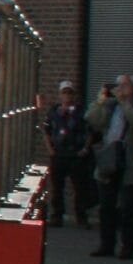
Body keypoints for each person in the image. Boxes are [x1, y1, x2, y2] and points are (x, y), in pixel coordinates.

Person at [88, 75, 133, 259]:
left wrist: (125, 103)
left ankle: (127, 246)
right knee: (106, 206)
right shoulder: (111, 106)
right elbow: (93, 119)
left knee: (127, 207)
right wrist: (100, 101)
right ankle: (106, 244)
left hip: (130, 162)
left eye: (125, 85)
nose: (120, 88)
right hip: (109, 160)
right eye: (118, 85)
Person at [42, 80, 95, 229]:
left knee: (80, 187)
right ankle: (57, 216)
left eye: (69, 92)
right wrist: (50, 149)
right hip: (59, 154)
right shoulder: (54, 112)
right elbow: (46, 130)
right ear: (60, 94)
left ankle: (81, 217)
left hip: (76, 155)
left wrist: (85, 148)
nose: (67, 96)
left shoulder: (82, 112)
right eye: (64, 92)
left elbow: (90, 131)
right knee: (57, 187)